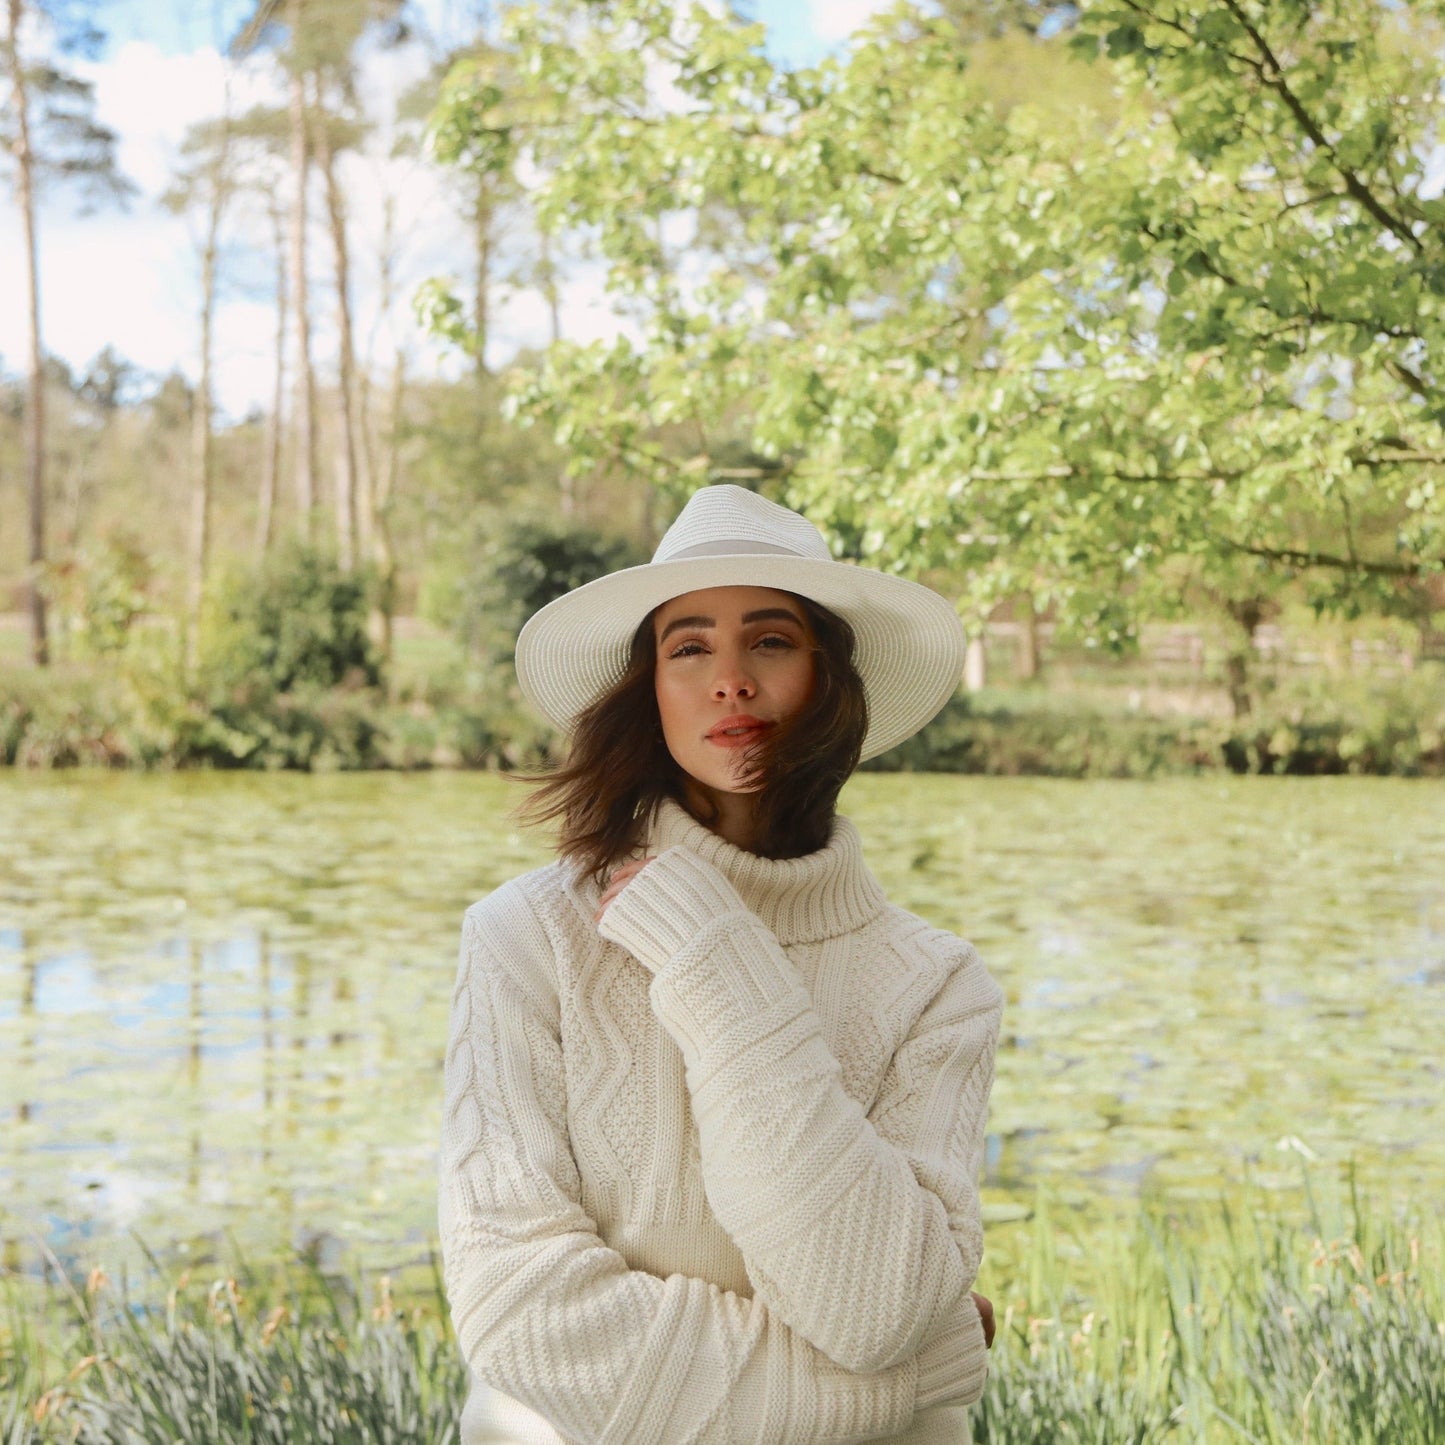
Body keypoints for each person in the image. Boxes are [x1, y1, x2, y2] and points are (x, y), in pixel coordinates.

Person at [438, 485, 1005, 1444]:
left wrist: (716, 958)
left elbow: (872, 1307)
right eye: (689, 646)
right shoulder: (524, 937)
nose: (729, 680)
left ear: (831, 678)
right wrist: (914, 1375)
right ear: (646, 687)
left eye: (772, 641)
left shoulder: (939, 984)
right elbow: (521, 1314)